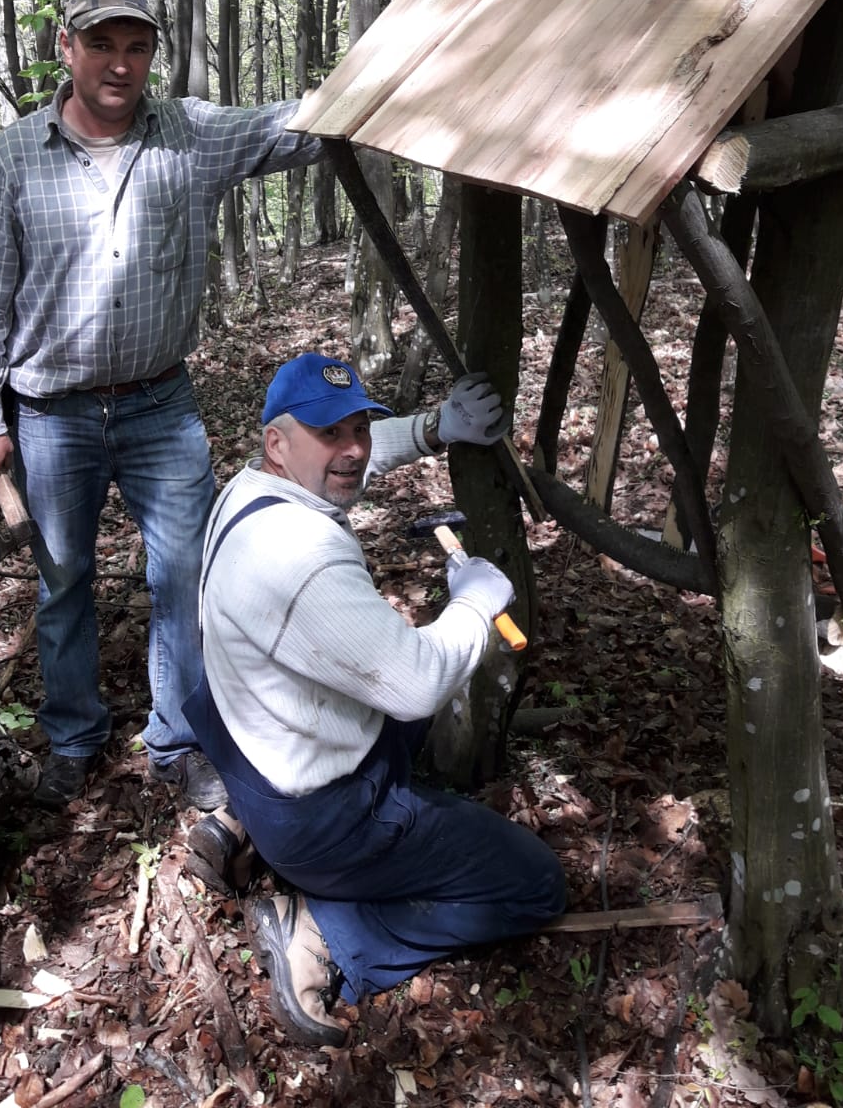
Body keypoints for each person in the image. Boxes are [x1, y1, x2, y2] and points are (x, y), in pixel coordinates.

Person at [0, 0, 323, 810]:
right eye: (102, 45)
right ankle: (74, 737)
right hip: (51, 415)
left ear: (152, 55)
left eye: (137, 47)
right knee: (63, 583)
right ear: (66, 49)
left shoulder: (189, 135)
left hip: (160, 405)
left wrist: (386, 82)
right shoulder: (15, 158)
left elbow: (295, 126)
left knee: (185, 576)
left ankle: (179, 740)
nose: (120, 64)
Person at [183, 353, 567, 1047]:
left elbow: (352, 459)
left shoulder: (250, 488)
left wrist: (436, 428)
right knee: (534, 883)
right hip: (322, 819)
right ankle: (328, 933)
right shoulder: (301, 556)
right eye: (331, 432)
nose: (353, 449)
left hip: (256, 751)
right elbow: (417, 683)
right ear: (277, 442)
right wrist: (475, 606)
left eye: (358, 427)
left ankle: (241, 824)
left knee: (400, 692)